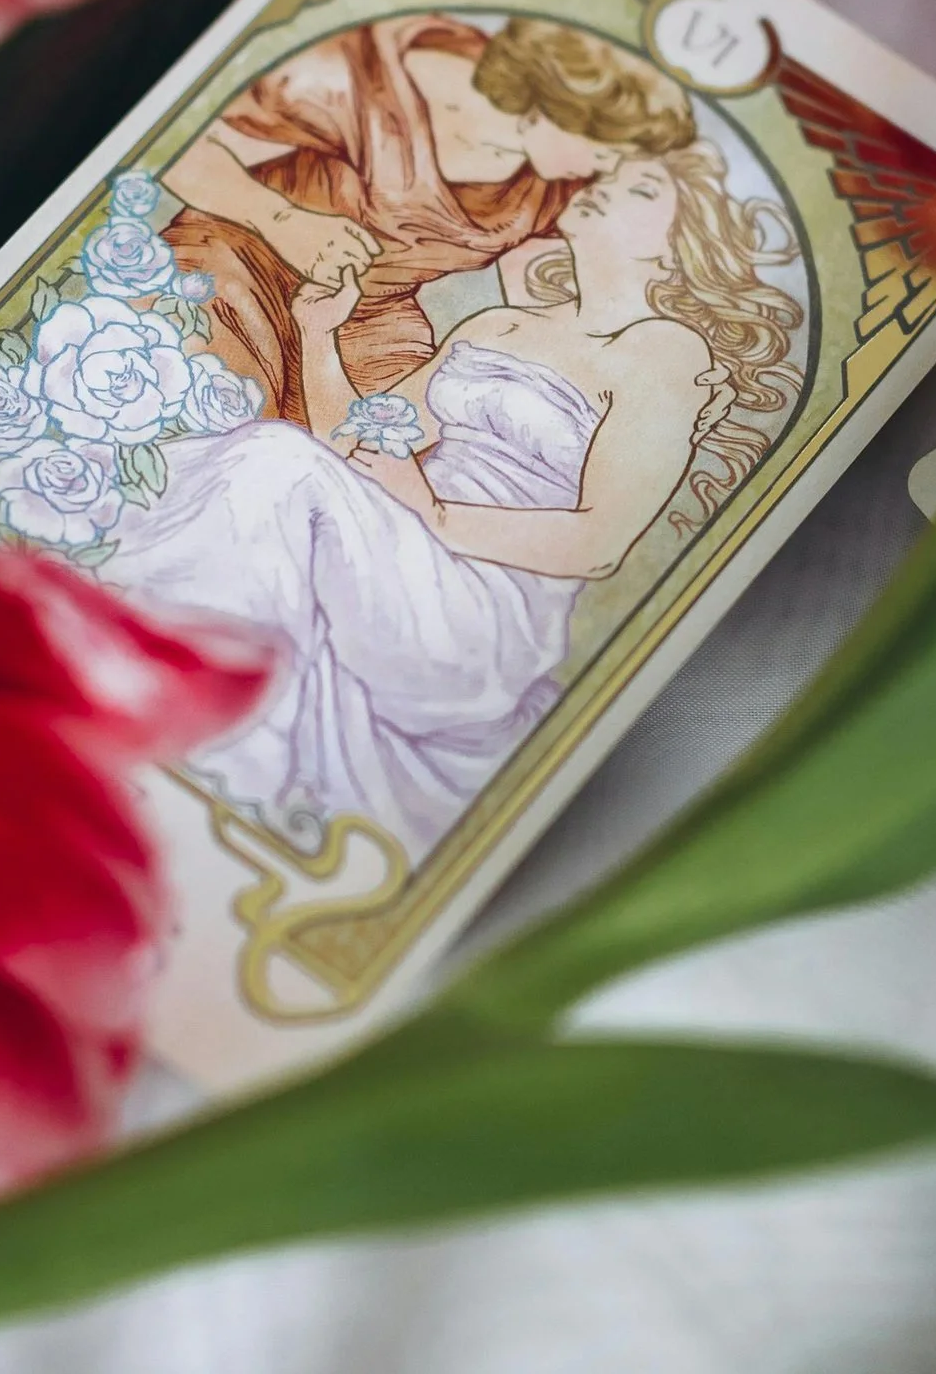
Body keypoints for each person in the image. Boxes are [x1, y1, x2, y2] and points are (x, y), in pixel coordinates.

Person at [106, 146, 802, 854]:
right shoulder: (499, 325)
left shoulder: (667, 352)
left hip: (486, 609)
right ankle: (159, 695)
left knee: (272, 459)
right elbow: (356, 444)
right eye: (610, 174)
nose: (605, 187)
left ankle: (154, 692)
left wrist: (434, 516)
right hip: (399, 550)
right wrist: (320, 336)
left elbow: (602, 541)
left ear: (680, 240)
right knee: (259, 459)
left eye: (641, 186)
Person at [163, 11, 696, 426]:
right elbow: (181, 147)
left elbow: (563, 270)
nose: (609, 166)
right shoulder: (362, 76)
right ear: (563, 105)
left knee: (389, 448)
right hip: (236, 264)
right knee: (219, 417)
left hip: (366, 318)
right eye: (607, 147)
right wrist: (284, 221)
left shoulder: (556, 178)